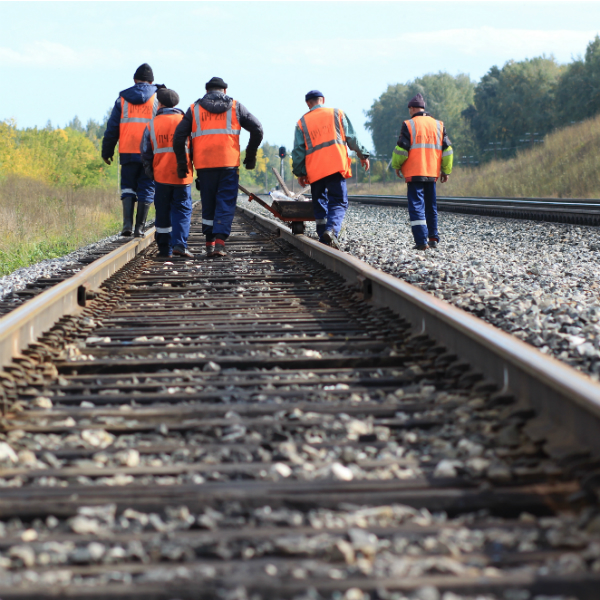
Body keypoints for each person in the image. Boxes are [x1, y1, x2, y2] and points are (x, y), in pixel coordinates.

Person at [173, 77, 263, 257]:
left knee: (208, 201)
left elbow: (178, 136)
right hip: (228, 163)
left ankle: (209, 243)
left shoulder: (194, 109)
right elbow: (257, 129)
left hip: (204, 165)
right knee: (225, 202)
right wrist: (251, 155)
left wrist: (183, 163)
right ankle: (219, 244)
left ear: (207, 91)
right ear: (225, 91)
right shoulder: (235, 107)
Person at [292, 90, 370, 248]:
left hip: (315, 170)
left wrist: (300, 172)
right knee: (339, 201)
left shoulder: (302, 122)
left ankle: (323, 236)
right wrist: (363, 154)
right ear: (323, 100)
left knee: (319, 202)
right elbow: (352, 138)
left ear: (308, 103)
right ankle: (332, 230)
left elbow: (298, 151)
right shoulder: (337, 114)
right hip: (335, 166)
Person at [102, 63, 165, 237]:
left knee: (128, 186)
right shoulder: (159, 99)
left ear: (134, 80)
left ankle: (127, 225)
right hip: (151, 152)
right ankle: (139, 228)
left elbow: (112, 127)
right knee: (146, 187)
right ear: (152, 81)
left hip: (127, 150)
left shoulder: (122, 100)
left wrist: (107, 151)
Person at [391, 93, 453, 250]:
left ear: (412, 109)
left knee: (417, 206)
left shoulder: (409, 124)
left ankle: (421, 242)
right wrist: (446, 170)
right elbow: (447, 150)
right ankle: (433, 238)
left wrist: (396, 165)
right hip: (432, 173)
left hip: (414, 173)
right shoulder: (439, 125)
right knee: (431, 206)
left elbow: (401, 149)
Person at [140, 88, 194, 259]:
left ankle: (164, 250)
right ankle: (179, 244)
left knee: (162, 211)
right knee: (182, 210)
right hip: (182, 176)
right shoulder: (186, 123)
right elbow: (195, 148)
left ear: (160, 104)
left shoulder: (151, 124)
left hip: (161, 176)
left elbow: (145, 152)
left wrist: (150, 171)